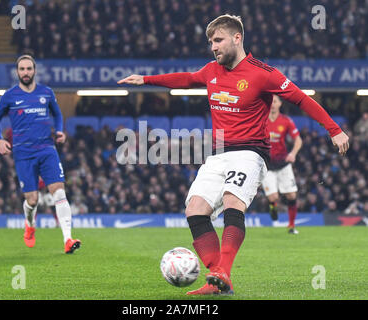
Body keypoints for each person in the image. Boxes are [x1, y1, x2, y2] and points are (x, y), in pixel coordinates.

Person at [118, 15, 349, 295]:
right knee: (194, 210)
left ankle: (222, 273)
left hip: (251, 153)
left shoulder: (263, 73)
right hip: (218, 154)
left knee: (231, 204)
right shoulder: (211, 70)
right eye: (210, 42)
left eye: (218, 40)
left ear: (236, 38)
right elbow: (187, 79)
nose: (213, 47)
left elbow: (301, 98)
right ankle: (218, 277)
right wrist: (146, 79)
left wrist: (334, 129)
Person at [0, 54, 81, 254]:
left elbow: (57, 113)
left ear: (34, 71)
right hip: (23, 152)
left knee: (58, 191)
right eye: (22, 69)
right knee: (32, 200)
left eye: (29, 69)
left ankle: (67, 239)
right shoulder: (9, 96)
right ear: (17, 72)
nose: (25, 72)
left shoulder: (46, 92)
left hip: (47, 149)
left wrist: (59, 130)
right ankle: (30, 225)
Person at [261, 95, 303, 234]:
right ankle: (272, 205)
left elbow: (298, 140)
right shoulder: (261, 119)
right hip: (267, 165)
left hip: (283, 164)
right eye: (270, 101)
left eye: (275, 101)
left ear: (280, 104)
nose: (272, 104)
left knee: (291, 195)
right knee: (274, 197)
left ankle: (291, 226)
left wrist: (293, 154)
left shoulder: (286, 121)